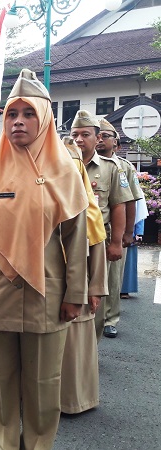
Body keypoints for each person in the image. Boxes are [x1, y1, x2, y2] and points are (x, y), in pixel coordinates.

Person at [0, 69, 89, 450]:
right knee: (0, 382)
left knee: (43, 385)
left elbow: (78, 239)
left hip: (47, 294)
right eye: (12, 114)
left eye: (28, 113)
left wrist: (75, 294)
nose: (18, 121)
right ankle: (4, 444)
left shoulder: (65, 172)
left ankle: (37, 445)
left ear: (45, 117)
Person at [70, 110, 132, 341]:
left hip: (98, 240)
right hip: (67, 241)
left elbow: (118, 206)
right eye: (75, 134)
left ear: (97, 139)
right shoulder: (63, 167)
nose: (78, 139)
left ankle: (91, 345)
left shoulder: (111, 168)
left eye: (85, 134)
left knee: (96, 294)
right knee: (68, 291)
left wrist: (117, 242)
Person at [59, 137, 108, 415]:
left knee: (77, 346)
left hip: (82, 286)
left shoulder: (88, 208)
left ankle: (75, 401)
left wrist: (95, 288)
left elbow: (97, 245)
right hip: (54, 286)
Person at [96, 118, 143, 338]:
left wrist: (127, 233)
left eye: (106, 136)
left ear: (116, 143)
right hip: (88, 232)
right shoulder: (83, 162)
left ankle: (110, 319)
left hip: (111, 232)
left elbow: (130, 201)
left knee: (113, 278)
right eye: (98, 135)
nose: (100, 140)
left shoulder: (124, 167)